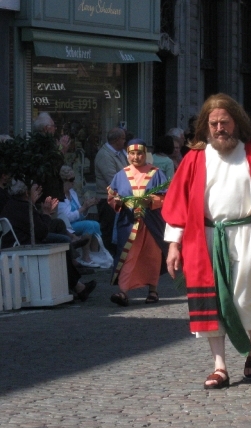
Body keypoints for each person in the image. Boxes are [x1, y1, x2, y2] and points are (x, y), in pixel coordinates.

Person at [161, 93, 251, 389]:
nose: (220, 128)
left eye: (225, 122)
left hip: (248, 236)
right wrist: (174, 244)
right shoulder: (195, 158)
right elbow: (179, 204)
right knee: (212, 302)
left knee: (242, 298)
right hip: (204, 238)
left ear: (237, 122)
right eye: (214, 123)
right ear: (205, 127)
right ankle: (219, 367)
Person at [1, 180, 96, 300]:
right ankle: (77, 284)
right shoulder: (23, 207)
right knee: (62, 241)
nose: (38, 193)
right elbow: (41, 232)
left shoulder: (16, 203)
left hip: (26, 236)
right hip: (25, 242)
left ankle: (71, 250)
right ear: (27, 193)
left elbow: (36, 223)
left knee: (58, 224)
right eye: (36, 191)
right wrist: (46, 213)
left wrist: (42, 211)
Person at [107, 139, 169, 307]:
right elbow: (112, 197)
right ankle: (123, 291)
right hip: (129, 223)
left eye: (139, 153)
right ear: (128, 155)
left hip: (151, 222)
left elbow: (165, 197)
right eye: (132, 153)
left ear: (145, 154)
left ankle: (153, 290)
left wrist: (151, 200)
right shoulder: (120, 175)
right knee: (128, 256)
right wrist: (118, 202)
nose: (136, 157)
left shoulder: (156, 173)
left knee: (152, 256)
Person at [58, 165, 101, 267]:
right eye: (71, 179)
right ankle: (85, 257)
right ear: (63, 180)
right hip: (66, 226)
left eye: (74, 179)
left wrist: (87, 206)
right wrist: (83, 208)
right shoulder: (60, 196)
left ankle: (93, 254)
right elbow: (67, 217)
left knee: (96, 224)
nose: (73, 182)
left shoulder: (72, 193)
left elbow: (80, 214)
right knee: (90, 225)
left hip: (76, 223)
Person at [94, 127, 128, 255]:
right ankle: (108, 255)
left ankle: (116, 253)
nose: (125, 141)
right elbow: (112, 179)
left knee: (116, 229)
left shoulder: (120, 153)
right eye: (123, 138)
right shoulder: (105, 155)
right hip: (107, 199)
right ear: (117, 140)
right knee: (108, 229)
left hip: (120, 198)